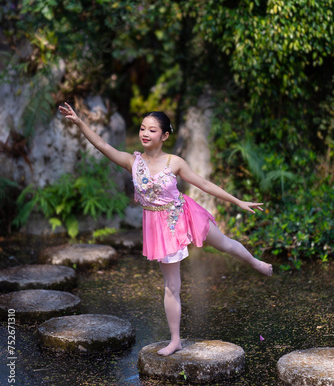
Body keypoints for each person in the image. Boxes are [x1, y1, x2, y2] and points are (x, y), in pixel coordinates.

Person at [59, 103, 273, 357]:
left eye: (152, 130)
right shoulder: (132, 162)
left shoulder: (175, 162)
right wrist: (80, 122)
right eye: (142, 128)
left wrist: (238, 201)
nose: (145, 133)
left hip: (185, 213)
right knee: (172, 285)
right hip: (160, 228)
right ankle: (175, 340)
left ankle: (255, 262)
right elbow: (103, 146)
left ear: (165, 136)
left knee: (224, 244)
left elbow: (204, 184)